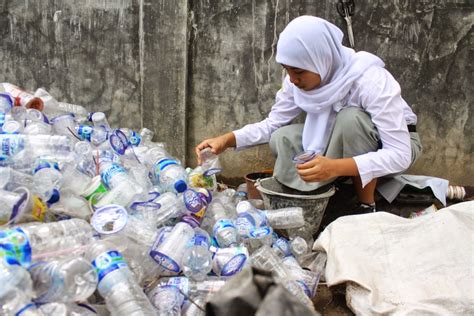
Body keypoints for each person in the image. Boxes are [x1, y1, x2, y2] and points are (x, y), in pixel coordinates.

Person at [195, 16, 422, 213]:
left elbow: (399, 153)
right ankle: (314, 195)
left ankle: (365, 205)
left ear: (321, 58)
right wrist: (226, 140)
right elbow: (272, 125)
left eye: (299, 71)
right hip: (336, 137)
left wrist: (335, 167)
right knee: (281, 138)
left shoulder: (370, 79)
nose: (293, 79)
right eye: (287, 69)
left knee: (350, 119)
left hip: (395, 143)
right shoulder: (296, 81)